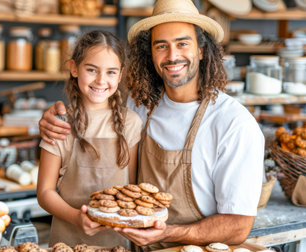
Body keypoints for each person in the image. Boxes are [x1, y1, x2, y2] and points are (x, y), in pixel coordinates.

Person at [38, 0, 265, 248]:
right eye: (161, 46)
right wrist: (55, 116)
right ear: (151, 53)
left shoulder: (234, 124)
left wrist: (167, 233)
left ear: (201, 50)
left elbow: (238, 227)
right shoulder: (139, 105)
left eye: (182, 43)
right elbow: (93, 103)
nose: (172, 56)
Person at [37, 30, 142, 248]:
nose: (101, 80)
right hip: (68, 240)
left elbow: (132, 186)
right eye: (92, 70)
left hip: (118, 242)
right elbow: (45, 192)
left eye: (111, 72)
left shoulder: (130, 122)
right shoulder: (59, 122)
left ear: (121, 74)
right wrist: (76, 217)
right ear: (74, 68)